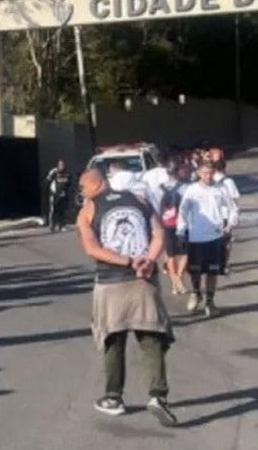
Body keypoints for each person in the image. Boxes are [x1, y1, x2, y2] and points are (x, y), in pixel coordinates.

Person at [75, 168, 177, 426]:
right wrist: (148, 260)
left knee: (113, 338)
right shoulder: (138, 200)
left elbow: (92, 248)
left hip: (111, 282)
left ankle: (113, 397)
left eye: (82, 189)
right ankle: (158, 396)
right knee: (151, 337)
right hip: (143, 280)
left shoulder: (88, 209)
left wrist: (128, 261)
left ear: (93, 186)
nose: (82, 193)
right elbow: (159, 234)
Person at [177, 161, 238, 317]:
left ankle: (210, 302)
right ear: (198, 173)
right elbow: (183, 211)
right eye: (204, 173)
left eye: (210, 173)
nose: (208, 176)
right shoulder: (191, 190)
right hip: (196, 236)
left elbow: (232, 208)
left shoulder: (220, 188)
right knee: (196, 271)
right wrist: (181, 229)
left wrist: (230, 225)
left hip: (215, 236)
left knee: (212, 271)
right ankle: (196, 293)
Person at [157, 162, 188, 295]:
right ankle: (179, 279)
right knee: (186, 253)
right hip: (182, 223)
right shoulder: (185, 188)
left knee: (170, 255)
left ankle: (174, 281)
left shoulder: (158, 188)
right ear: (178, 171)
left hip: (165, 224)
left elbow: (155, 207)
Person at [45, 160, 72, 232]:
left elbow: (69, 183)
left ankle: (61, 225)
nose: (62, 166)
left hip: (63, 195)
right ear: (58, 166)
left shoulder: (67, 174)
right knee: (54, 210)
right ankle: (52, 225)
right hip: (54, 195)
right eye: (60, 165)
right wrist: (50, 174)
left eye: (63, 165)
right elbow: (47, 181)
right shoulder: (54, 173)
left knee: (62, 211)